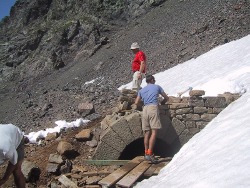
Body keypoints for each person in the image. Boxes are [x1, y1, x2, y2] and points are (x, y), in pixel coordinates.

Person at [134, 75, 169, 163]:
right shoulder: (157, 87)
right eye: (154, 79)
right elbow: (166, 97)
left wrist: (143, 105)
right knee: (154, 132)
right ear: (152, 80)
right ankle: (150, 153)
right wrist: (163, 102)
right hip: (153, 108)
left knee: (147, 132)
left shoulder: (141, 90)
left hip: (145, 109)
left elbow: (136, 102)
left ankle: (146, 153)